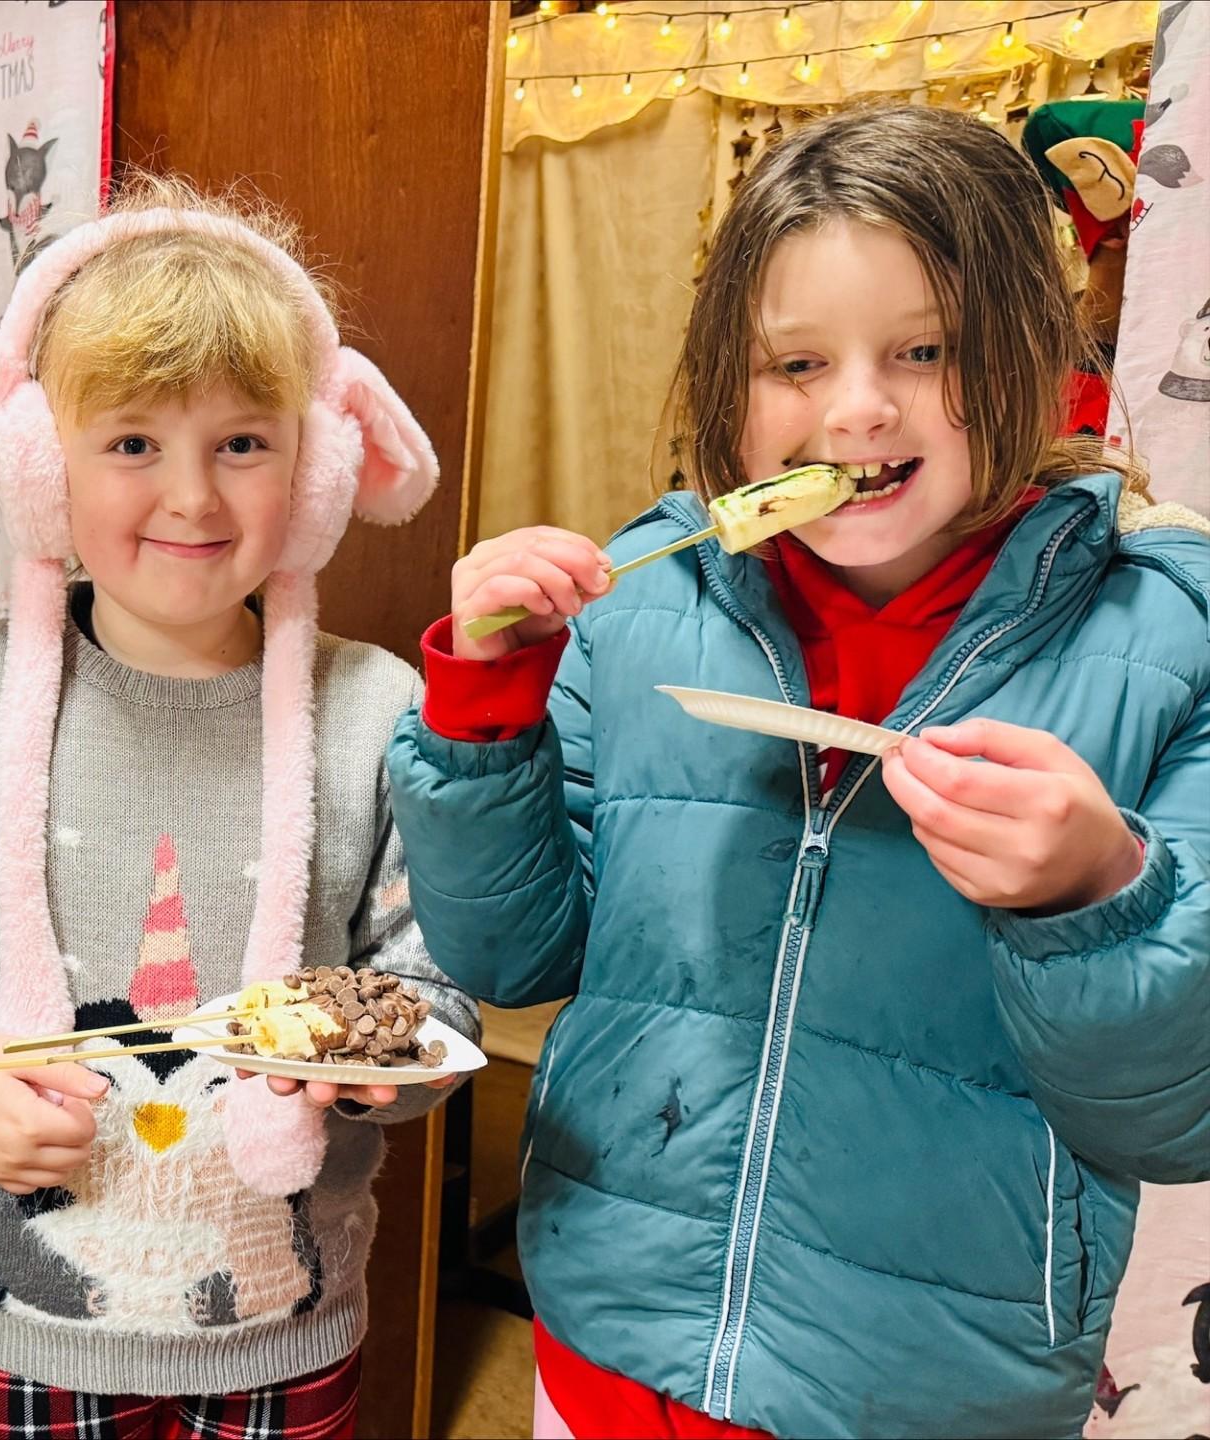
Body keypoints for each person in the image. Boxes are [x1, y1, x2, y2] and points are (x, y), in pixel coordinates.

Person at [387, 105, 1210, 1440]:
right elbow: (507, 953)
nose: (857, 407)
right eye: (797, 362)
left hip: (930, 1392)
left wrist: (1096, 888)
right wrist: (485, 705)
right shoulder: (642, 612)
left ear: (1024, 355)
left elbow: (1174, 1117)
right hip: (605, 1349)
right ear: (729, 386)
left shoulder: (1165, 640)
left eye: (925, 350)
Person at [0, 176, 478, 1440]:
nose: (191, 498)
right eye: (131, 443)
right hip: (21, 1323)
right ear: (36, 465)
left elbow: (432, 986)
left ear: (321, 468)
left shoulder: (376, 710)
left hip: (289, 1321)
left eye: (243, 442)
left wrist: (362, 1071)